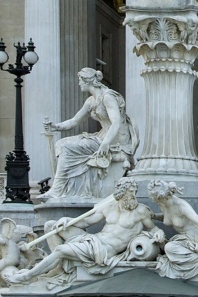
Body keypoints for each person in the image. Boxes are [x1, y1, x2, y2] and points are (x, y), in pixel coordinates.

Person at [12, 179, 159, 283]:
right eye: (130, 192)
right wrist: (67, 219)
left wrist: (159, 233)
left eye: (134, 192)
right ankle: (58, 268)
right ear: (121, 194)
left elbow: (153, 228)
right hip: (94, 240)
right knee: (51, 225)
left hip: (104, 250)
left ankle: (27, 276)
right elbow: (87, 222)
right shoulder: (109, 206)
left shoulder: (140, 211)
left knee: (60, 250)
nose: (133, 196)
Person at [43, 67, 139, 202]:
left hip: (114, 140)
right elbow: (74, 121)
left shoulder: (108, 97)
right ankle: (65, 189)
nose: (79, 83)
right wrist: (55, 126)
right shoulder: (91, 101)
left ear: (87, 81)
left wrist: (105, 144)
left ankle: (57, 189)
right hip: (102, 136)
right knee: (60, 143)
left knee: (67, 148)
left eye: (80, 80)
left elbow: (116, 122)